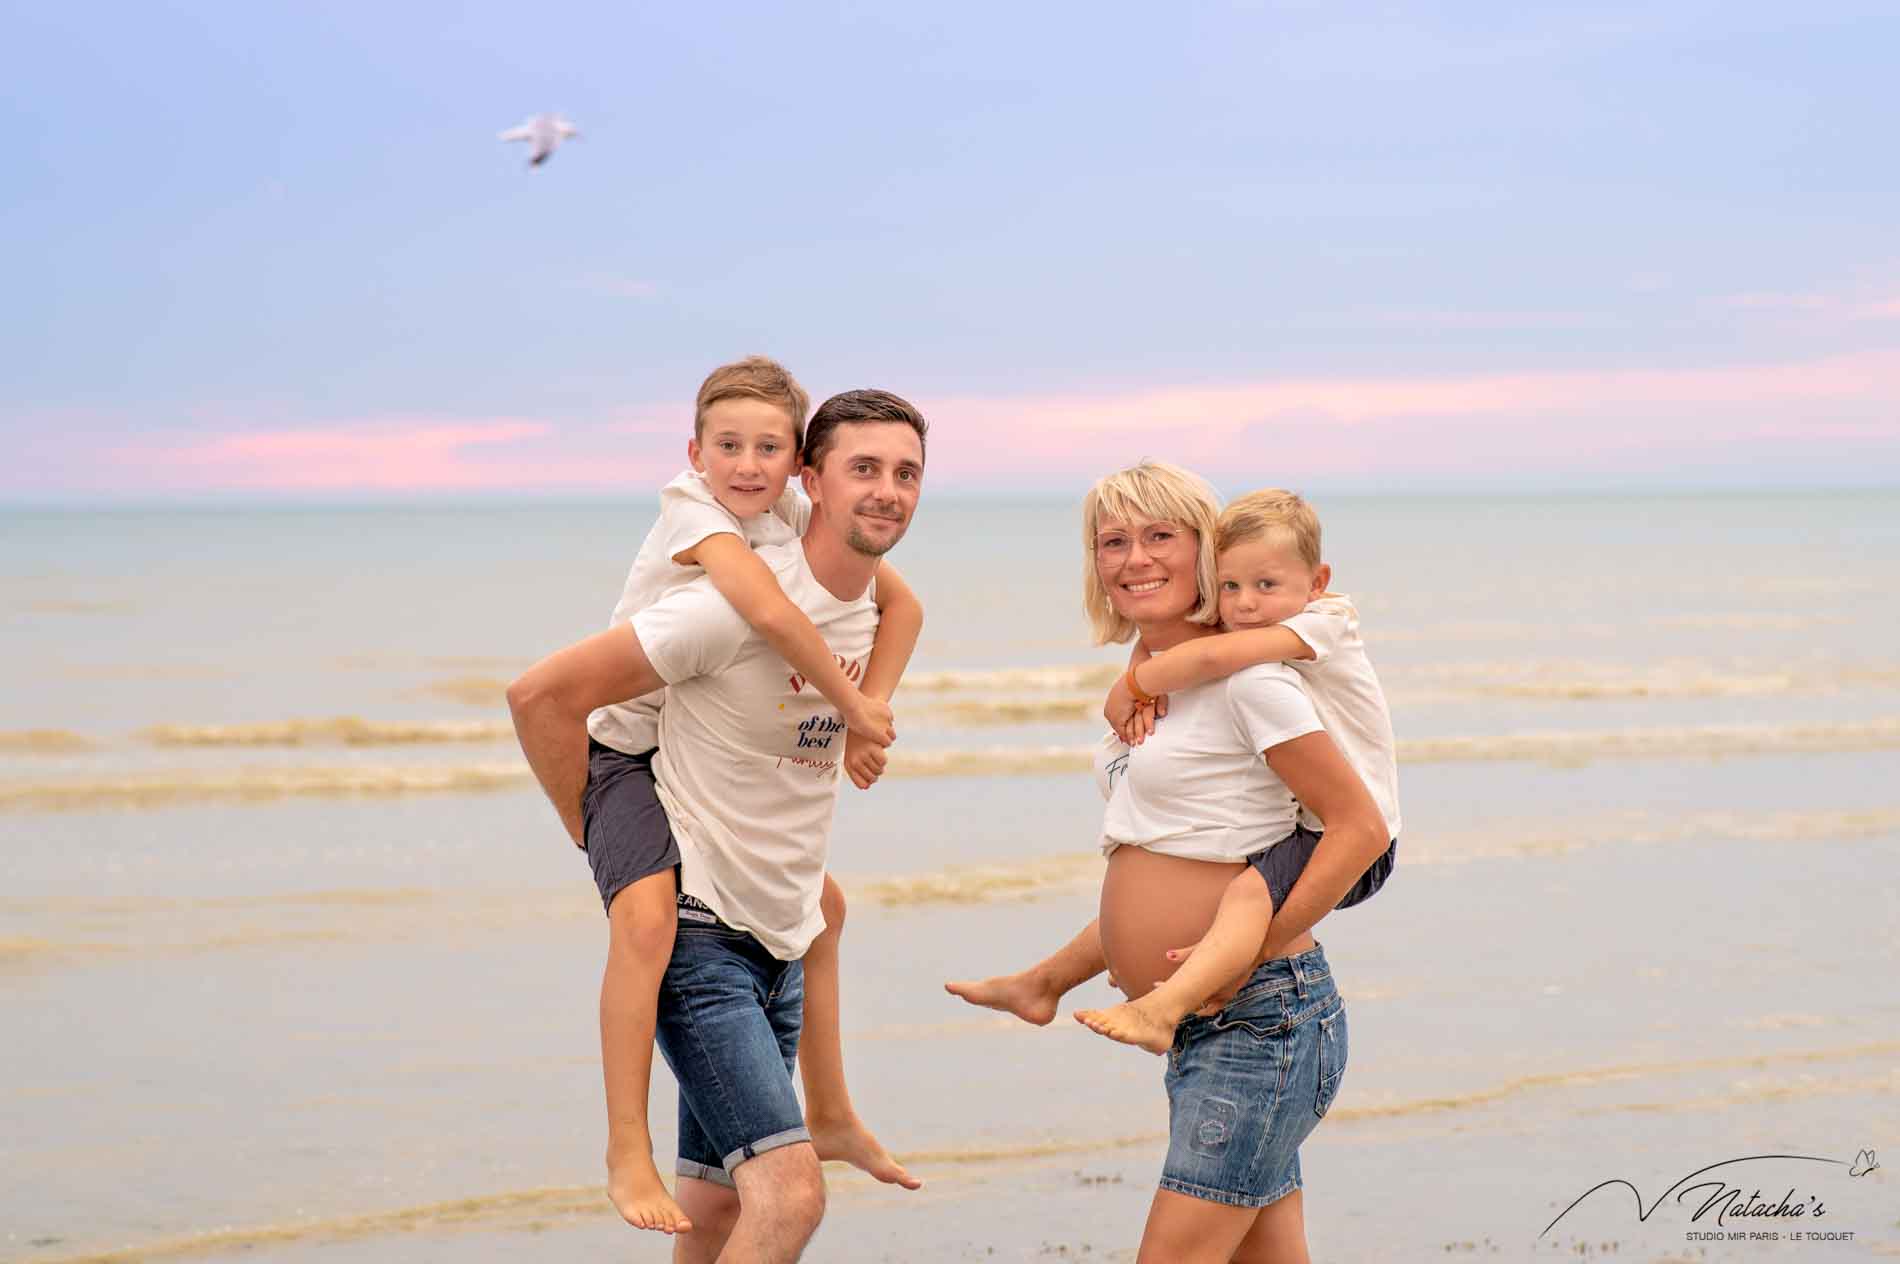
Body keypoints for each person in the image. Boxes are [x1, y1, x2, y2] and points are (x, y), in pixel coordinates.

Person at [509, 388, 928, 1262]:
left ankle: (835, 1111)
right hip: (700, 947)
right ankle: (626, 1147)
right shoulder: (724, 606)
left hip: (777, 942)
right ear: (812, 481)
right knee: (789, 1198)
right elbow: (540, 696)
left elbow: (902, 616)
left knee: (718, 1216)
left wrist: (863, 712)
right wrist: (590, 831)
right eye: (863, 469)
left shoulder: (869, 605)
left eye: (905, 473)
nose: (887, 490)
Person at [947, 462, 1389, 1263]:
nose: (1134, 558)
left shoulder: (1252, 682)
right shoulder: (1157, 693)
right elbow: (1181, 869)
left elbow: (1357, 827)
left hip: (1259, 1017)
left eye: (1160, 537)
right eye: (1112, 540)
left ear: (1208, 557)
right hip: (1217, 1021)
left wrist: (1242, 959)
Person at [1075, 487, 1401, 1052]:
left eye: (1265, 585)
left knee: (1249, 896)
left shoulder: (1309, 632)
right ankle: (1053, 983)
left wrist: (1131, 685)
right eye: (1232, 586)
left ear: (1317, 581)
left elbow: (1361, 829)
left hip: (1257, 1005)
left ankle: (1159, 1009)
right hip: (1223, 1020)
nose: (1246, 602)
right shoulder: (1245, 645)